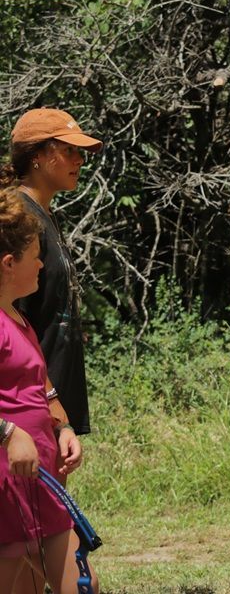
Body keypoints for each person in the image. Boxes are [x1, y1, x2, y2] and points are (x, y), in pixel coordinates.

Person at [0, 190, 97, 594]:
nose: (43, 263)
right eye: (35, 255)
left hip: (43, 481)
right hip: (7, 492)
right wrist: (7, 432)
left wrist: (62, 427)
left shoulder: (17, 316)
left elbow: (37, 381)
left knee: (81, 583)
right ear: (8, 264)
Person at [0, 108, 104, 437]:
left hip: (51, 400)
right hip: (26, 405)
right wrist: (46, 397)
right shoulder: (19, 219)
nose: (80, 160)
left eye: (81, 152)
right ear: (38, 157)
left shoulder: (44, 215)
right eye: (69, 150)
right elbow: (10, 317)